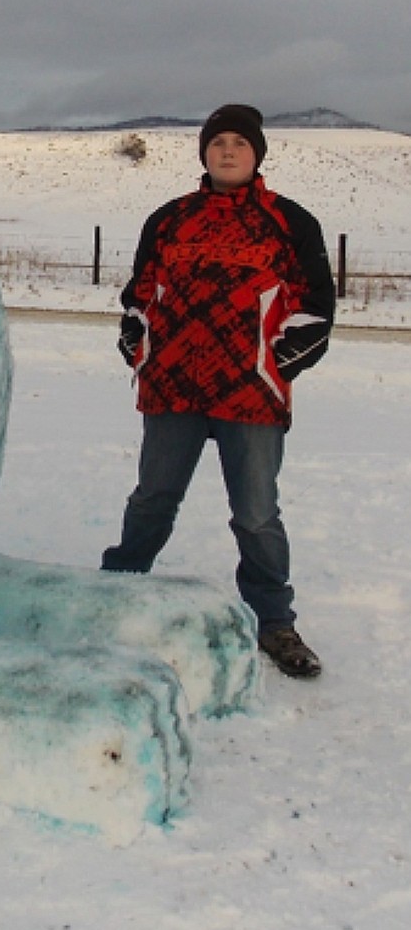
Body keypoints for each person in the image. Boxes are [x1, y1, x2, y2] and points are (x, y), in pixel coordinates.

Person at [101, 104, 335, 679]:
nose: (228, 150)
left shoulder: (289, 221)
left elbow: (316, 307)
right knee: (152, 499)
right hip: (173, 388)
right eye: (217, 142)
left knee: (256, 514)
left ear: (257, 154)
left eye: (239, 142)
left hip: (249, 396)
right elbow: (140, 292)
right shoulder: (170, 218)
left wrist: (276, 363)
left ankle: (273, 622)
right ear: (203, 152)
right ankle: (114, 598)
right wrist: (137, 339)